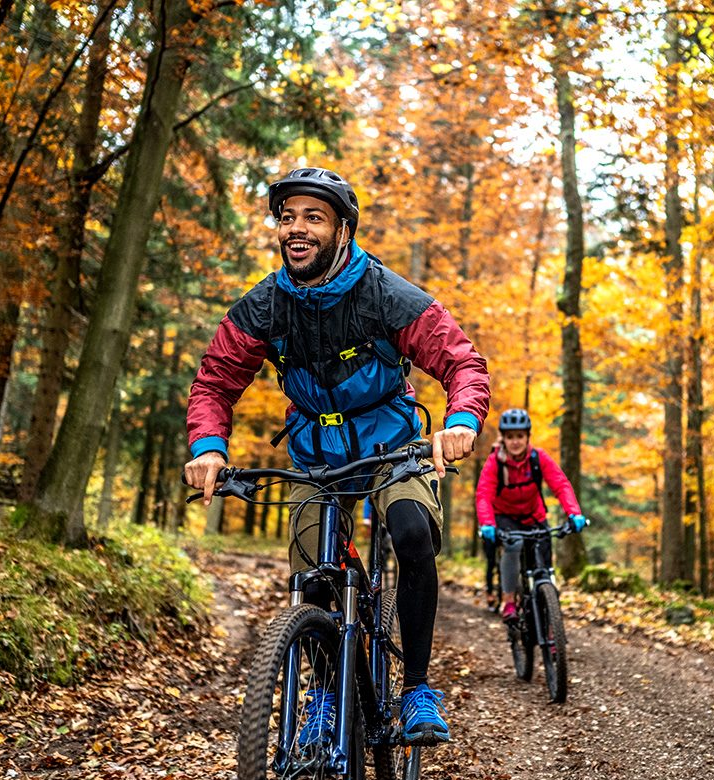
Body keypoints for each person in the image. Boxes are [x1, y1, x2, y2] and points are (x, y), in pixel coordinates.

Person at [183, 167, 489, 745]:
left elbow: (461, 363)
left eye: (313, 218)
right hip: (313, 452)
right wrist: (208, 450)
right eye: (288, 217)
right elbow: (216, 381)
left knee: (412, 532)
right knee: (312, 577)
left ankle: (418, 690)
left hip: (389, 444)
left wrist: (461, 421)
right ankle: (324, 695)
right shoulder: (265, 305)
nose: (296, 229)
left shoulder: (385, 294)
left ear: (343, 229)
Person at [475, 409, 586, 621]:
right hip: (505, 517)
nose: (515, 441)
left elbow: (561, 485)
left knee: (543, 566)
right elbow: (484, 495)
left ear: (527, 437)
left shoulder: (538, 457)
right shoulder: (495, 462)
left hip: (534, 517)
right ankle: (508, 601)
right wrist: (487, 523)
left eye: (519, 436)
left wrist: (574, 513)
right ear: (503, 439)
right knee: (514, 545)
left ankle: (551, 618)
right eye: (510, 437)